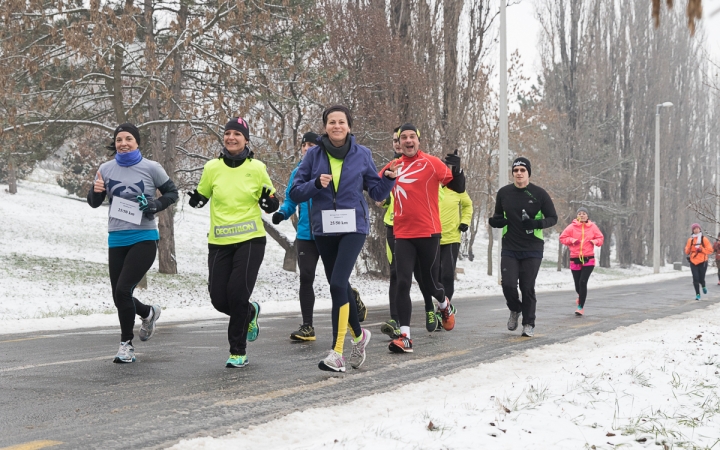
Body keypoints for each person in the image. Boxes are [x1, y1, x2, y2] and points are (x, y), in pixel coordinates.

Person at [290, 105, 398, 372]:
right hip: (324, 229)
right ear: (325, 126)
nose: (336, 126)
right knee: (340, 286)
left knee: (337, 283)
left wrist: (388, 179)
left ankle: (337, 352)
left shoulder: (362, 154)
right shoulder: (313, 156)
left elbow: (376, 192)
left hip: (353, 228)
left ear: (349, 126)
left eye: (341, 122)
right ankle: (360, 337)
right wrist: (316, 184)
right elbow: (295, 192)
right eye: (331, 122)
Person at [187, 117, 279, 368]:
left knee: (238, 293)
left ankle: (238, 351)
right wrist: (195, 200)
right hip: (219, 241)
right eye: (227, 133)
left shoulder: (257, 167)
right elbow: (202, 195)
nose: (231, 138)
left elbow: (271, 200)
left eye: (237, 134)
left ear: (246, 140)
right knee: (218, 299)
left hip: (250, 239)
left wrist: (270, 204)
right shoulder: (212, 168)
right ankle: (249, 312)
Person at [87, 123, 178, 363]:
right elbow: (94, 202)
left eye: (128, 138)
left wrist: (155, 205)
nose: (123, 143)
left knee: (122, 290)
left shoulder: (151, 168)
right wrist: (96, 191)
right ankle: (148, 312)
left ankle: (126, 345)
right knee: (119, 296)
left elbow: (172, 193)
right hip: (116, 238)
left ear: (137, 142)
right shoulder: (106, 169)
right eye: (119, 140)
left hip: (144, 238)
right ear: (115, 143)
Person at [379, 123, 466, 353]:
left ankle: (444, 304)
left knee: (429, 283)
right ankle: (405, 337)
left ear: (418, 140)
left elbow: (457, 187)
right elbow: (376, 191)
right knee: (403, 281)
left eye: (412, 137)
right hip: (403, 234)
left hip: (429, 232)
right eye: (403, 138)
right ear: (398, 143)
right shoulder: (393, 165)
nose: (408, 141)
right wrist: (386, 179)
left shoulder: (432, 162)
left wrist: (458, 170)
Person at [272, 131, 367, 341]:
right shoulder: (298, 171)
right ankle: (307, 326)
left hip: (330, 230)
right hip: (307, 233)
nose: (307, 148)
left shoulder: (331, 168)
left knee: (337, 281)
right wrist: (282, 213)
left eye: (311, 145)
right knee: (306, 276)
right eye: (304, 145)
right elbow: (291, 199)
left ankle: (353, 312)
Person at [377, 128, 436, 338]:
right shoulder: (391, 168)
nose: (398, 143)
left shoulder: (420, 165)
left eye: (400, 139)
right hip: (395, 227)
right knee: (398, 275)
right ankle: (397, 321)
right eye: (395, 140)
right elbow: (380, 195)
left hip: (421, 229)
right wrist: (383, 198)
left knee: (422, 275)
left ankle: (430, 307)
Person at [488, 156, 557, 338]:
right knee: (508, 285)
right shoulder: (504, 193)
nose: (519, 173)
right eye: (516, 170)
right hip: (510, 246)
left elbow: (552, 218)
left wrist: (535, 224)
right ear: (513, 173)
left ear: (528, 173)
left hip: (532, 247)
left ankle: (528, 323)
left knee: (527, 287)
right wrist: (496, 221)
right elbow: (498, 216)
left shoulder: (539, 194)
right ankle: (515, 309)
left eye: (522, 170)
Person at [438, 153, 473, 303]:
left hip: (451, 237)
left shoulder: (457, 190)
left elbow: (468, 205)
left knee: (447, 274)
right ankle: (436, 303)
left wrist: (465, 221)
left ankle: (445, 306)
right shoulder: (430, 188)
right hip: (430, 237)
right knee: (433, 275)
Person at [559, 207, 604, 316]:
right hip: (575, 258)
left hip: (589, 258)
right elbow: (562, 238)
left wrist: (595, 241)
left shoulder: (593, 227)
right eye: (580, 213)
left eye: (584, 213)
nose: (582, 215)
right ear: (577, 216)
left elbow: (601, 239)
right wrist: (571, 240)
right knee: (577, 285)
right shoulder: (571, 227)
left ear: (587, 216)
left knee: (583, 282)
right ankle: (581, 297)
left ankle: (580, 307)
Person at [684, 223, 713, 301]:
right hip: (693, 261)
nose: (696, 230)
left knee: (701, 278)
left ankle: (703, 285)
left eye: (697, 228)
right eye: (694, 229)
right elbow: (686, 251)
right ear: (692, 230)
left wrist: (701, 250)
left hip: (703, 261)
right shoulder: (690, 240)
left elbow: (710, 250)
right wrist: (688, 249)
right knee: (695, 278)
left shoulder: (704, 239)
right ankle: (697, 294)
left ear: (700, 229)